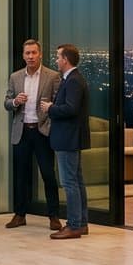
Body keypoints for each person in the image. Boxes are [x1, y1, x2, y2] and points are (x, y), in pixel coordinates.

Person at [5, 39, 63, 231]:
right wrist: (15, 102)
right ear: (23, 55)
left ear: (40, 54)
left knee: (48, 174)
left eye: (33, 53)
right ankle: (20, 215)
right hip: (21, 131)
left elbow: (58, 104)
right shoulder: (15, 77)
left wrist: (50, 126)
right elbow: (6, 102)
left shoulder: (53, 76)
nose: (30, 56)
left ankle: (53, 216)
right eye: (27, 53)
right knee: (20, 175)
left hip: (42, 132)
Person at [45, 43, 91, 239]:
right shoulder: (72, 79)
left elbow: (71, 109)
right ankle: (80, 223)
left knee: (69, 182)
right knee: (76, 181)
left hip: (67, 138)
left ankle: (74, 225)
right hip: (70, 138)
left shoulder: (72, 81)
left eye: (58, 57)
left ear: (65, 59)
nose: (56, 60)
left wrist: (50, 108)